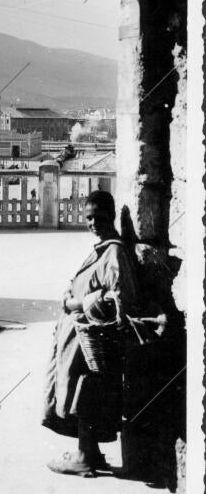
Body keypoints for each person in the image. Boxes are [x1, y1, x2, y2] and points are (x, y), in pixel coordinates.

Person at [42, 190, 140, 476]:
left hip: (91, 338)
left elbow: (120, 297)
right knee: (81, 390)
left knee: (84, 393)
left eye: (99, 217)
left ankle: (85, 457)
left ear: (110, 217)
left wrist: (74, 302)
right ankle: (92, 453)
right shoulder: (102, 249)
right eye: (89, 218)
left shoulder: (114, 251)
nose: (93, 223)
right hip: (78, 337)